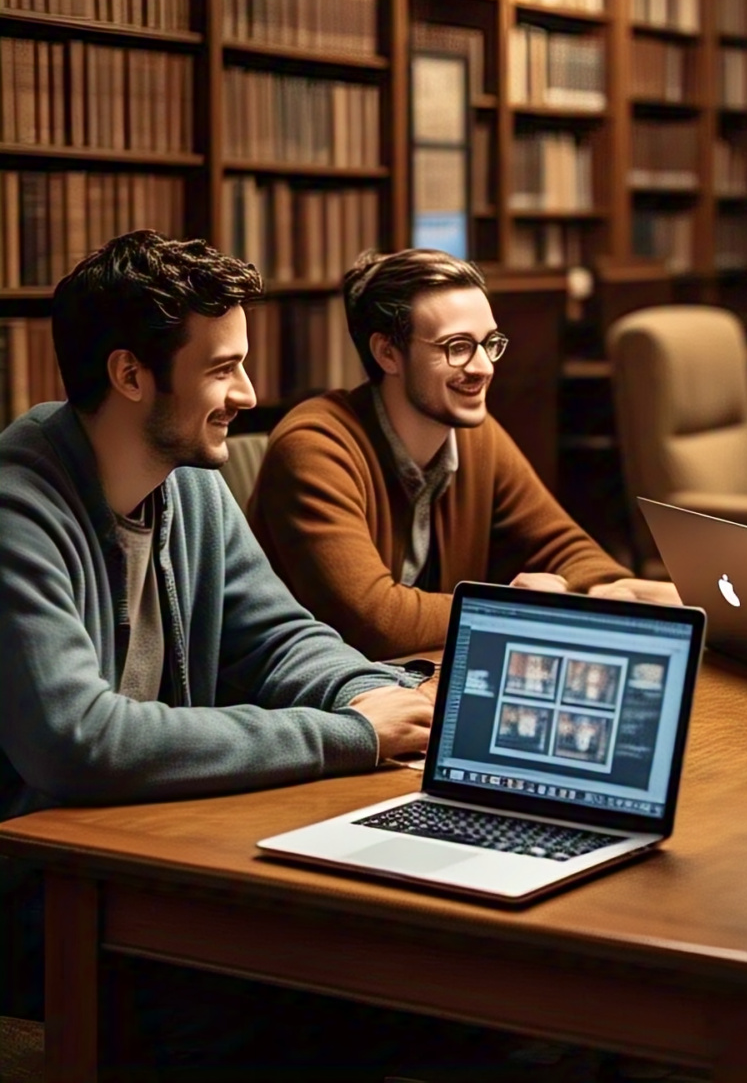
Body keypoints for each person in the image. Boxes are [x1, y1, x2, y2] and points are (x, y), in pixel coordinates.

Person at [0, 231, 441, 1075]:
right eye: (221, 368)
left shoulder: (189, 481)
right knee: (301, 994)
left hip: (153, 851)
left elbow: (276, 639)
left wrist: (380, 697)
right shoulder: (17, 506)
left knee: (389, 975)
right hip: (38, 893)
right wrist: (349, 736)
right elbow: (79, 741)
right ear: (131, 375)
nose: (247, 392)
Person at [248, 248, 675, 661]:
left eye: (489, 343)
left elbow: (564, 547)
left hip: (417, 684)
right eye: (457, 347)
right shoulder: (315, 446)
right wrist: (518, 610)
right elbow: (376, 622)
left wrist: (613, 590)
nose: (483, 366)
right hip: (316, 710)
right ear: (387, 353)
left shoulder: (475, 435)